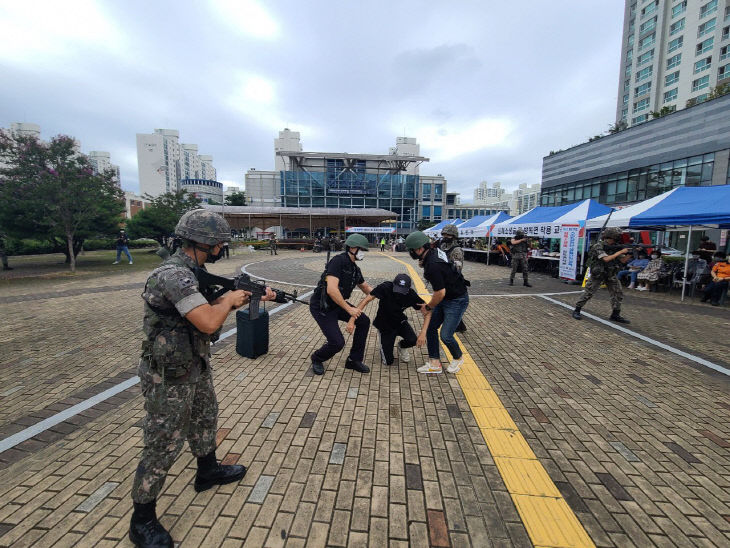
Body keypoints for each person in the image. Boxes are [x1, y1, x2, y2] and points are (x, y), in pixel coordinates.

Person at [129, 209, 277, 548]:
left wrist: (250, 296)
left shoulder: (193, 272)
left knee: (205, 418)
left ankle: (207, 471)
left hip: (192, 365)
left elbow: (207, 313)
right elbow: (209, 322)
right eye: (218, 242)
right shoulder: (173, 276)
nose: (221, 247)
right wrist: (229, 300)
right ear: (203, 242)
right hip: (166, 377)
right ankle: (142, 519)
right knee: (162, 443)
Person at [405, 231, 469, 374]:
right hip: (447, 296)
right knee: (431, 327)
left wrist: (428, 306)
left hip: (456, 300)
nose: (411, 253)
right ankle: (434, 363)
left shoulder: (432, 265)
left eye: (411, 250)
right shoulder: (434, 252)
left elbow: (440, 293)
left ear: (419, 249)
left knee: (446, 335)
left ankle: (458, 357)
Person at [309, 233, 373, 375]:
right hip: (322, 306)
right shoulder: (338, 261)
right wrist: (349, 310)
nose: (363, 253)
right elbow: (332, 289)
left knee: (364, 321)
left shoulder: (355, 269)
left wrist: (384, 294)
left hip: (338, 304)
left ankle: (353, 360)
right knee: (337, 343)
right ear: (352, 248)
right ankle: (317, 358)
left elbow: (366, 288)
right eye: (361, 249)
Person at [348, 273, 429, 366]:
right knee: (388, 362)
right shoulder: (385, 287)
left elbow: (428, 312)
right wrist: (352, 319)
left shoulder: (411, 295)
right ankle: (384, 341)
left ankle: (401, 346)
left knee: (413, 340)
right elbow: (366, 300)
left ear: (408, 289)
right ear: (393, 284)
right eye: (397, 289)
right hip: (384, 325)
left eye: (402, 290)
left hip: (400, 322)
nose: (399, 292)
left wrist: (423, 333)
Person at [572, 227, 630, 323]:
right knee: (588, 292)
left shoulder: (616, 246)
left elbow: (623, 260)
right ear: (611, 236)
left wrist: (631, 253)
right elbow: (606, 259)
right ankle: (577, 310)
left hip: (610, 273)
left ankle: (615, 314)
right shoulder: (598, 246)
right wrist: (620, 252)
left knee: (618, 293)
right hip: (598, 274)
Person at [439, 224, 467, 333]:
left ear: (454, 236)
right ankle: (460, 325)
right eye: (444, 234)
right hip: (444, 280)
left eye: (448, 235)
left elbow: (458, 269)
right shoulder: (443, 246)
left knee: (450, 305)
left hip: (453, 282)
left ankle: (457, 325)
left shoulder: (457, 250)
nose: (445, 236)